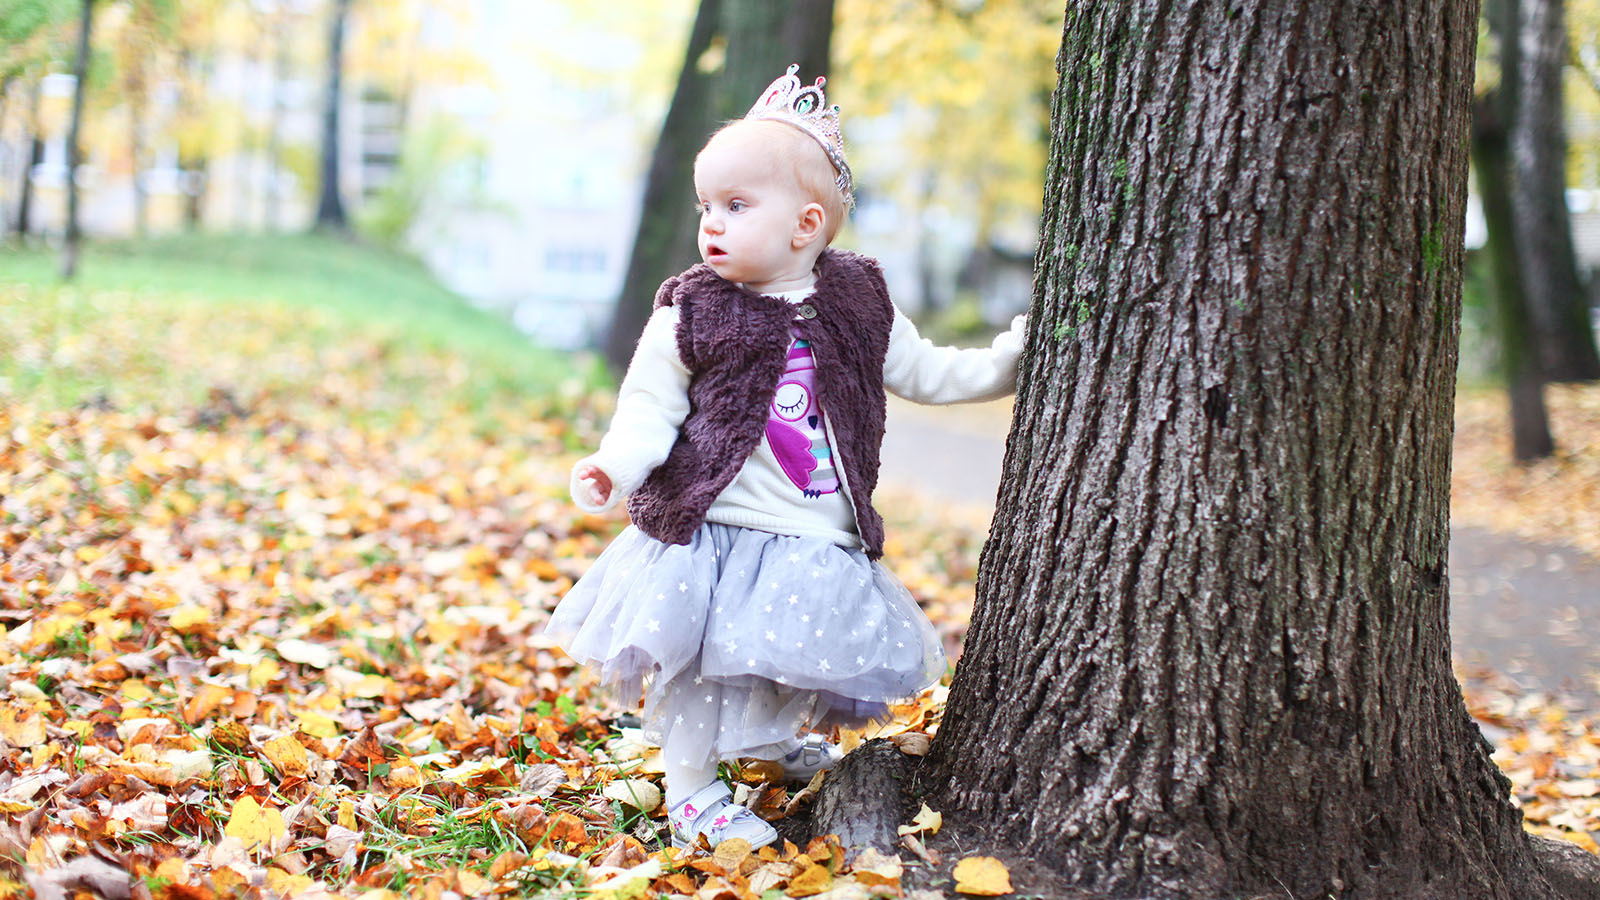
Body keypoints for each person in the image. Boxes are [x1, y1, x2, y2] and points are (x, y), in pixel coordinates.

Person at [546, 65, 1027, 851]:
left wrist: (1006, 363)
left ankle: (766, 743)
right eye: (706, 206)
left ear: (806, 225)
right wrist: (615, 466)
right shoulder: (692, 310)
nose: (712, 223)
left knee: (785, 658)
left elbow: (924, 371)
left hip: (814, 537)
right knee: (703, 675)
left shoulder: (859, 298)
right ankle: (691, 792)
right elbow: (648, 407)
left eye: (736, 206)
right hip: (717, 531)